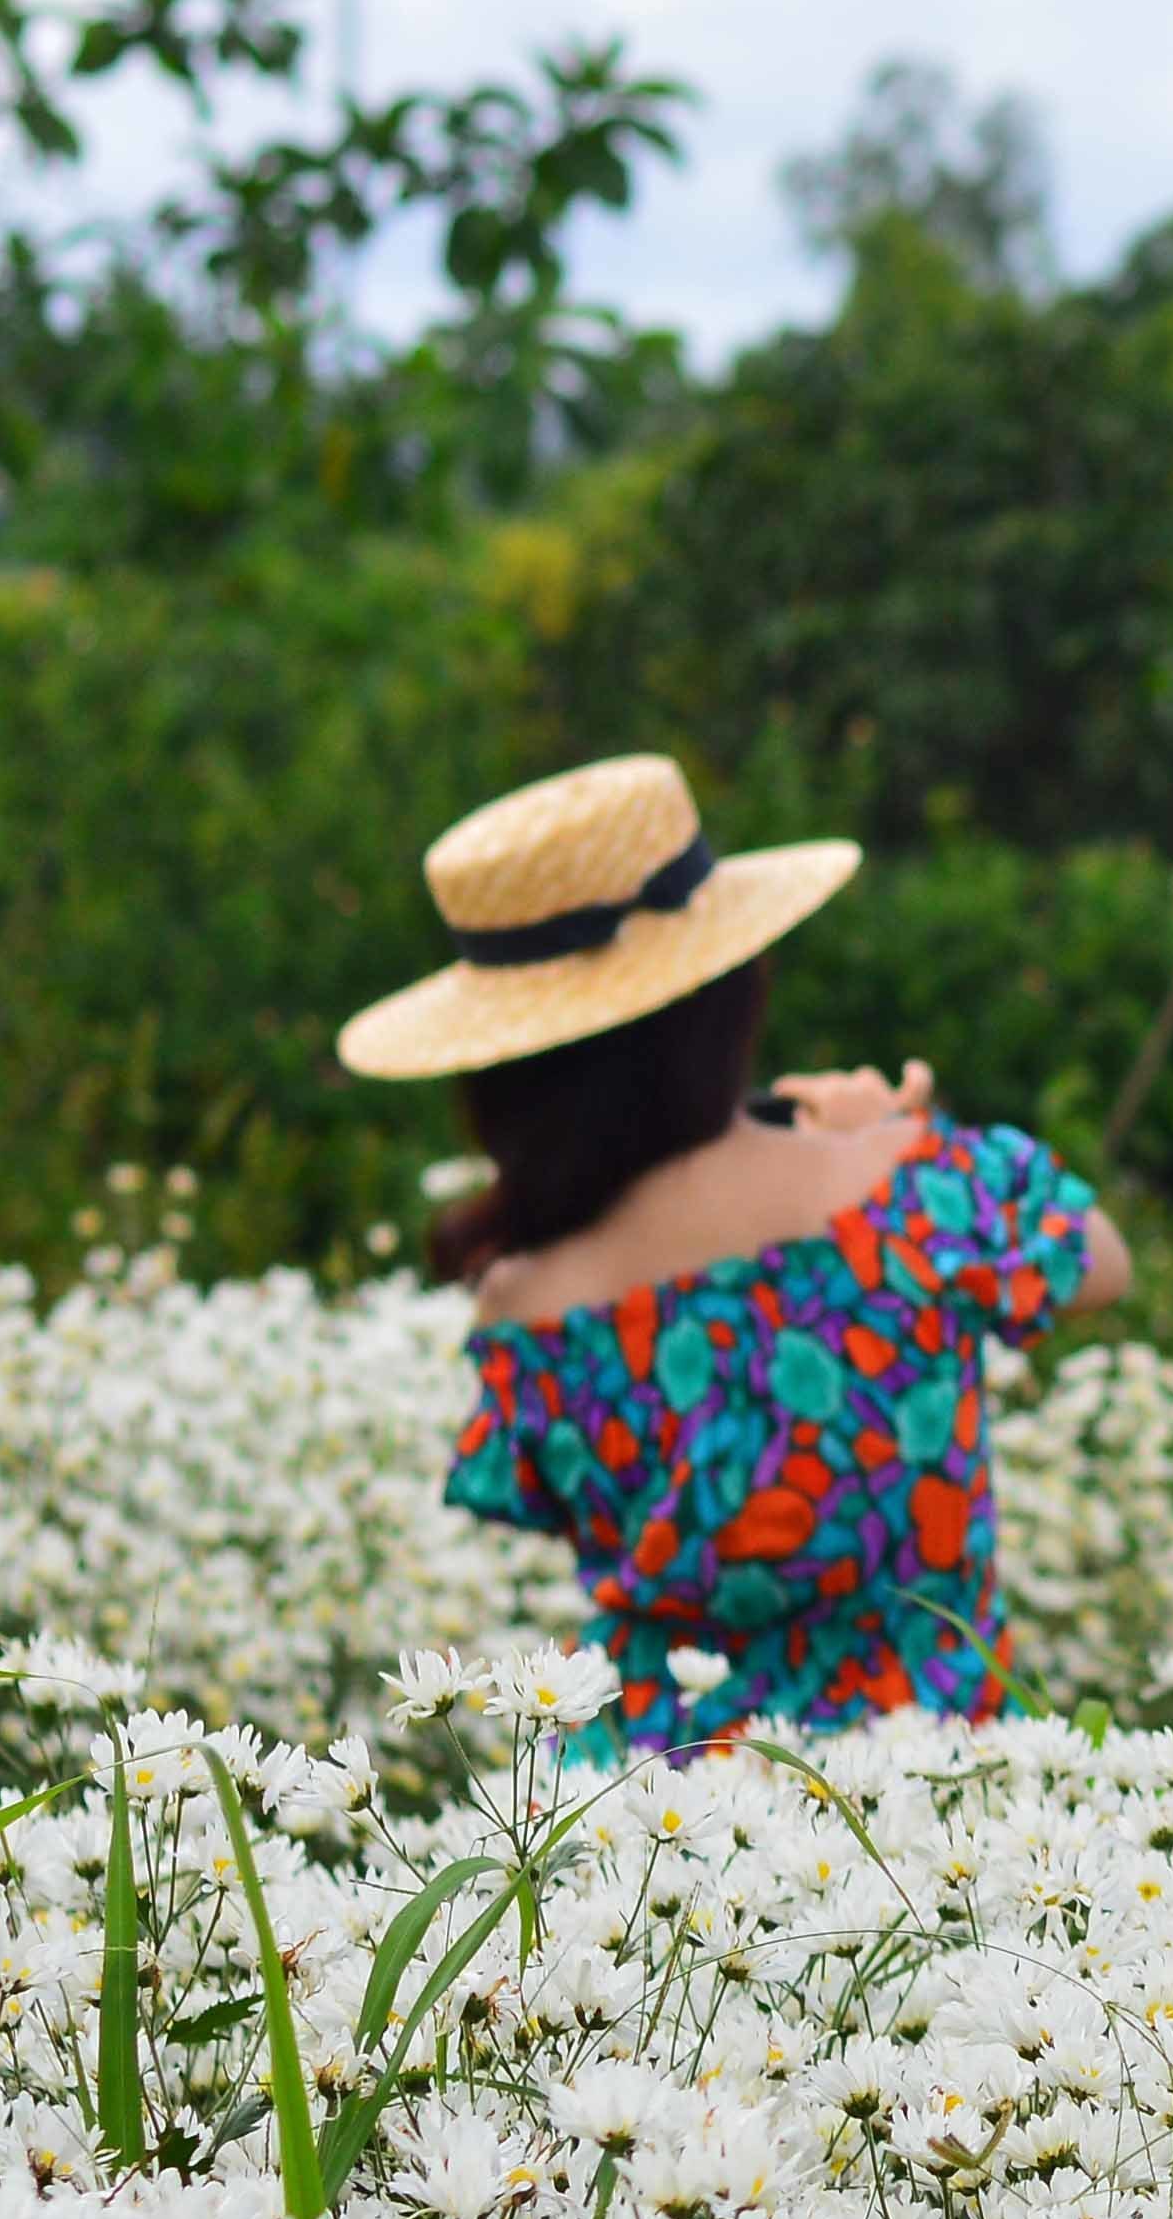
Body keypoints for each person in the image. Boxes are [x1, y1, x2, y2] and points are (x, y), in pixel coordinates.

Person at [337, 754, 1131, 1761]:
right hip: (936, 1784)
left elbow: (554, 1502)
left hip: (644, 1816)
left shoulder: (523, 1303)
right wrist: (891, 1126)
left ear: (506, 1070)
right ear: (730, 991)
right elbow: (1101, 1261)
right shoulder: (914, 1190)